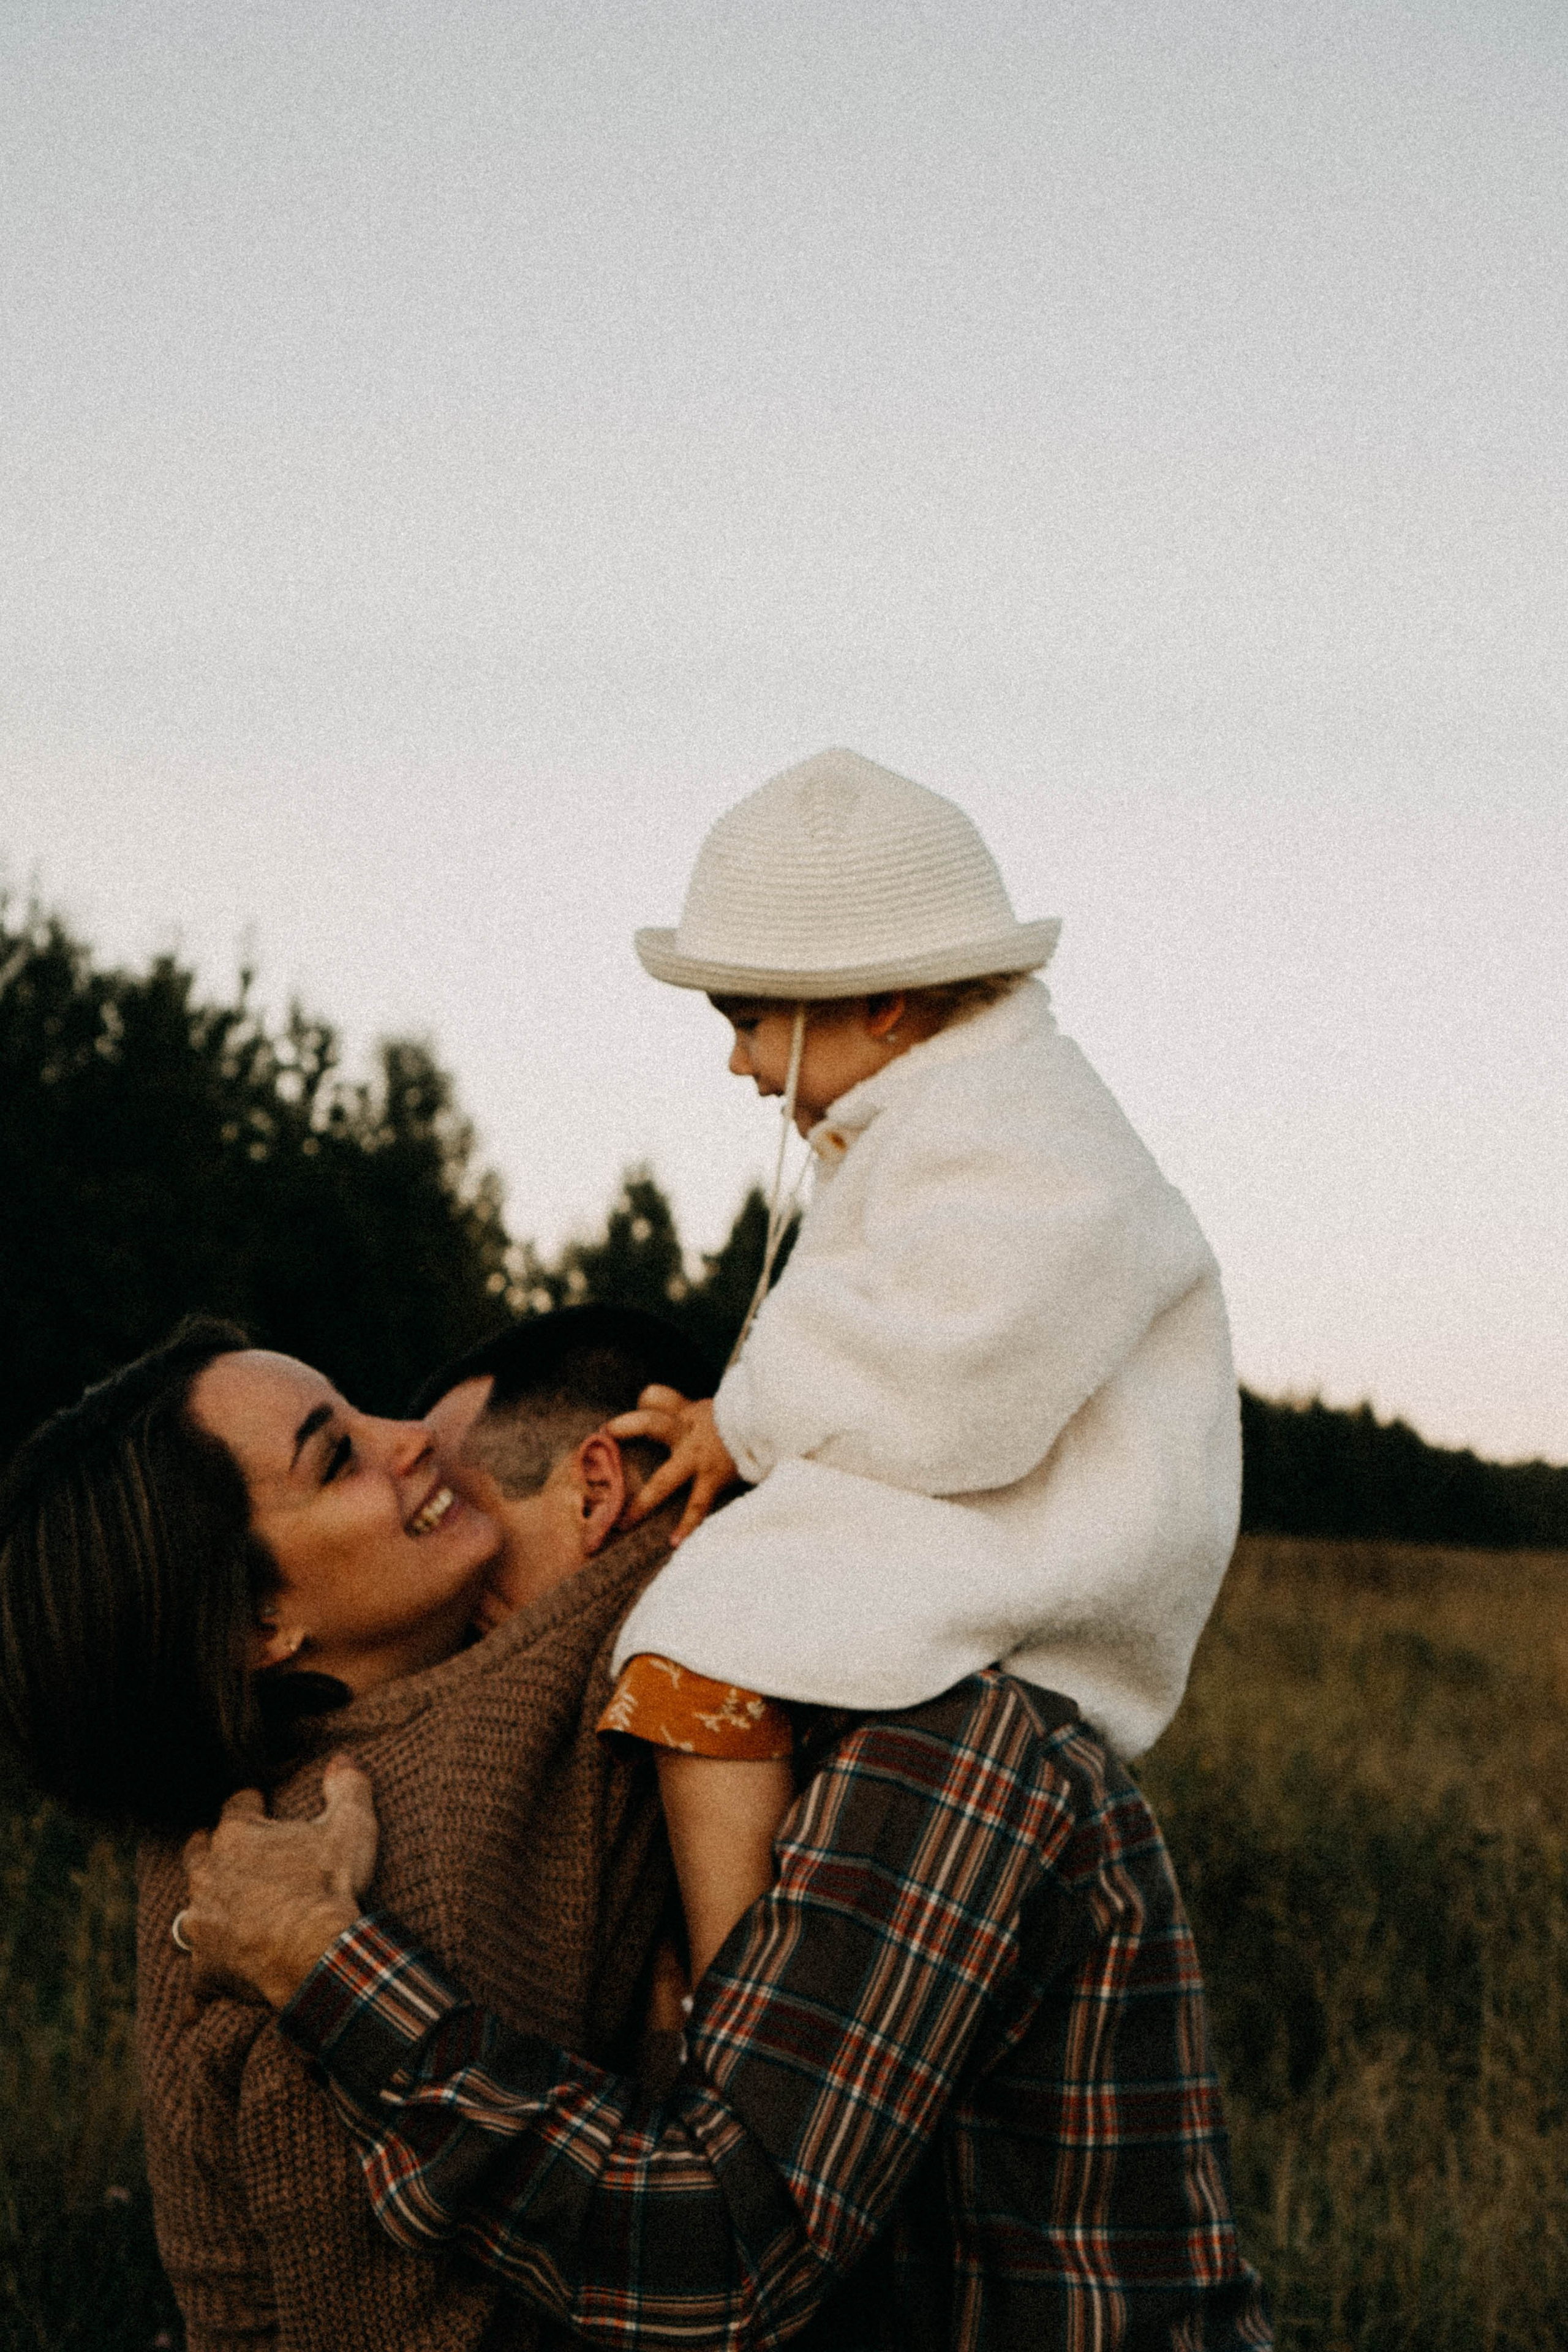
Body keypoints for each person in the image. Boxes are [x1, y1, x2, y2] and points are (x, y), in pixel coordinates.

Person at [598, 747, 1243, 1976]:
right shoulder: (949, 1117)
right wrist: (735, 1424)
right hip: (991, 1505)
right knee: (724, 1602)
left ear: (879, 1004)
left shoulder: (1017, 1132)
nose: (737, 1063)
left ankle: (737, 1990)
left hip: (1048, 1533)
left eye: (746, 1021)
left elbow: (957, 1379)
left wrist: (744, 1427)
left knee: (700, 1637)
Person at [178, 1667, 1273, 2348]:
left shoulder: (942, 1744)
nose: (413, 1458)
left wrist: (317, 1959)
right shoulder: (591, 1813)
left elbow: (718, 2258)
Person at [0, 1307, 707, 2352]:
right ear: (257, 1627)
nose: (414, 1436)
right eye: (339, 1457)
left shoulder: (245, 1809)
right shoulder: (377, 1856)